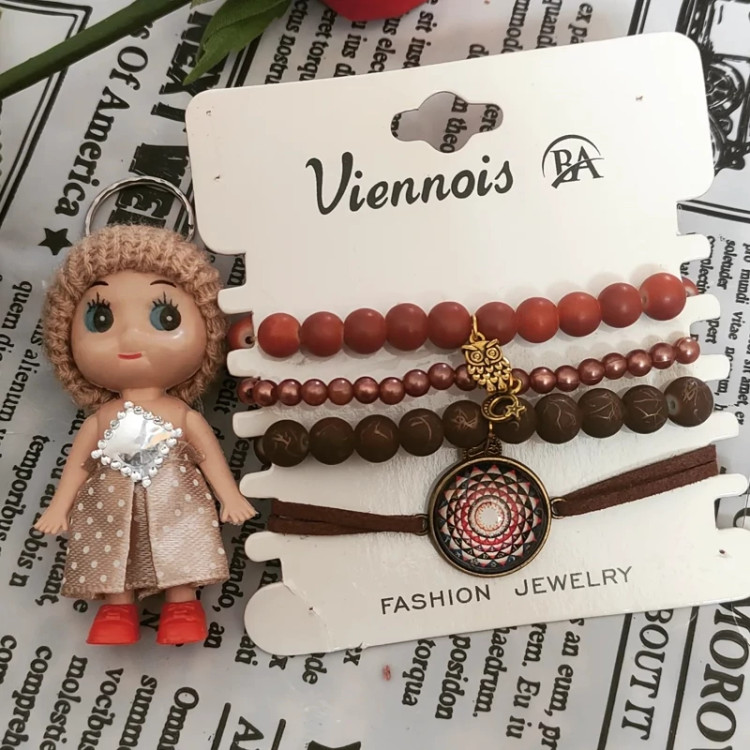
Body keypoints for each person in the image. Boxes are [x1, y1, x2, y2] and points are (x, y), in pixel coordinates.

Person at [34, 224, 257, 646]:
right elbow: (79, 465)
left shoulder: (181, 415)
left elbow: (209, 457)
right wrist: (60, 506)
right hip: (110, 507)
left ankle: (182, 605)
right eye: (101, 319)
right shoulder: (102, 419)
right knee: (114, 552)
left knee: (180, 547)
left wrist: (229, 496)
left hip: (177, 503)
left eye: (164, 318)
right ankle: (117, 609)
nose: (131, 337)